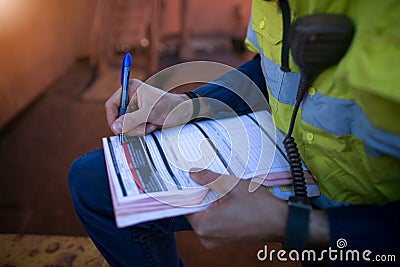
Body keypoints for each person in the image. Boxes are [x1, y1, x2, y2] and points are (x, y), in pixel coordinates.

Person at [68, 0, 400, 266]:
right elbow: (270, 68)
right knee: (92, 180)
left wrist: (298, 225)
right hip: (291, 154)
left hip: (368, 221)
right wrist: (184, 104)